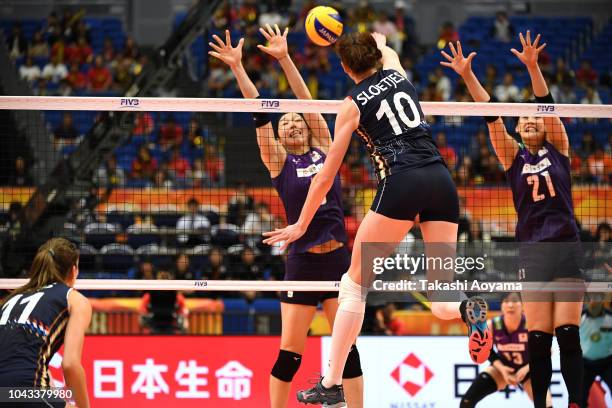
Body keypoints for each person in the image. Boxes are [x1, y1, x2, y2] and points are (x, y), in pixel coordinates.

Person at [263, 32, 492, 406]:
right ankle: (468, 308)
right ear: (377, 57)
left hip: (402, 181)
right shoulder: (398, 73)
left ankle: (331, 382)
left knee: (353, 286)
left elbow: (325, 177)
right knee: (440, 295)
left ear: (344, 68)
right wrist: (381, 40)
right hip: (441, 180)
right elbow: (388, 51)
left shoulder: (351, 104)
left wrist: (300, 224)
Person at [209, 26, 364, 408]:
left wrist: (284, 58)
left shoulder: (327, 149)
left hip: (338, 263)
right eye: (285, 123)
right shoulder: (279, 161)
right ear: (279, 136)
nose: (292, 123)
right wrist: (238, 68)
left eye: (297, 121)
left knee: (349, 351)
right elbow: (260, 115)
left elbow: (307, 101)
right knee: (290, 354)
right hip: (302, 264)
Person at [442, 31, 585, 408]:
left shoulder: (559, 148)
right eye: (523, 119)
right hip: (533, 251)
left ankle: (579, 403)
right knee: (539, 339)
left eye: (534, 117)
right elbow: (491, 116)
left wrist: (533, 66)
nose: (530, 119)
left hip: (567, 245)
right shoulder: (512, 157)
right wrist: (468, 76)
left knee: (568, 334)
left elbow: (546, 103)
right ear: (519, 130)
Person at [0, 238, 91, 408]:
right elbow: (70, 364)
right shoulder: (75, 299)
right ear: (73, 270)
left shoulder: (12, 299)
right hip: (25, 390)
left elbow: (22, 352)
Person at [460, 292, 553, 407]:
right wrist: (502, 369)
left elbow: (547, 350)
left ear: (523, 305)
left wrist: (526, 369)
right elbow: (485, 349)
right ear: (501, 306)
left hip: (529, 369)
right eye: (506, 301)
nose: (510, 305)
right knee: (467, 401)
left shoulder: (531, 324)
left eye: (514, 301)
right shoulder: (493, 325)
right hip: (503, 367)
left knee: (546, 405)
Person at [580, 297, 611, 408]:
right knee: (578, 398)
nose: (593, 302)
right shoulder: (579, 318)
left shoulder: (610, 317)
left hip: (608, 362)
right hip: (585, 363)